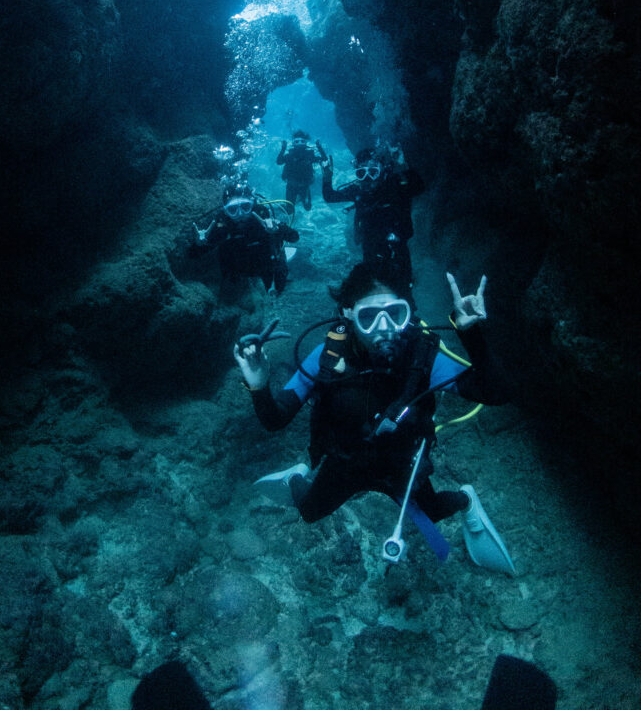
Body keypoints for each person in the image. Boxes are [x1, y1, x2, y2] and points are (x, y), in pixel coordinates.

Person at [234, 263, 516, 572]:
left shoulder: (422, 357)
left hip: (400, 464)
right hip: (346, 461)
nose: (384, 327)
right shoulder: (329, 357)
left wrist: (472, 333)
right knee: (309, 512)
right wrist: (259, 385)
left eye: (394, 314)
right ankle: (298, 475)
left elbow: (496, 393)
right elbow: (275, 420)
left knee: (432, 513)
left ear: (407, 312)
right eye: (369, 317)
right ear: (349, 313)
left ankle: (466, 499)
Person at [321, 144, 425, 293]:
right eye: (361, 173)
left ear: (382, 170)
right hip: (370, 243)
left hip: (397, 243)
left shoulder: (395, 184)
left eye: (373, 172)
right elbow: (330, 196)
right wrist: (327, 175)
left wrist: (403, 165)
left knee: (403, 286)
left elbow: (419, 186)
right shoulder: (358, 190)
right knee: (373, 285)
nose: (367, 178)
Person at [190, 182, 299, 295]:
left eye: (245, 207)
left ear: (252, 205)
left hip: (265, 264)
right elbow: (193, 255)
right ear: (226, 211)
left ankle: (281, 258)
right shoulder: (223, 225)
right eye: (233, 209)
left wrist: (278, 230)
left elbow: (294, 237)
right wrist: (199, 245)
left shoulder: (263, 219)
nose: (240, 214)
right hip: (239, 269)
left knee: (279, 288)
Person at [276, 131, 324, 211]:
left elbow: (324, 159)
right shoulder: (290, 156)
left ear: (305, 143)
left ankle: (298, 200)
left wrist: (319, 147)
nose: (300, 143)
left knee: (307, 207)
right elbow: (279, 162)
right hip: (291, 186)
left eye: (302, 141)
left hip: (304, 185)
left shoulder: (309, 155)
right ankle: (283, 207)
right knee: (290, 210)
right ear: (293, 143)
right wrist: (283, 148)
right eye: (297, 141)